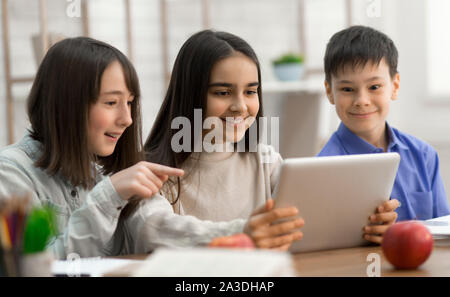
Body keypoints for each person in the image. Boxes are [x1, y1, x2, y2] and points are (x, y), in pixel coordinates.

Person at [121, 30, 304, 253]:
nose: (241, 106)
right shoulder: (150, 170)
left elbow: (308, 215)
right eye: (223, 92)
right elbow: (152, 229)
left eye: (250, 91)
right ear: (191, 95)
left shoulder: (267, 162)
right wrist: (241, 234)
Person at [0, 37, 184, 259]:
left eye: (129, 102)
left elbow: (162, 227)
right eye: (111, 103)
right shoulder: (10, 173)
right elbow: (34, 265)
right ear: (66, 105)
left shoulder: (107, 172)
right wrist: (109, 196)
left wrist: (231, 232)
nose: (127, 119)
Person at [319, 25, 450, 243]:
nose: (362, 100)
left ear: (394, 85)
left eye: (374, 86)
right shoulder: (323, 169)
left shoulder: (424, 156)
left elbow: (444, 231)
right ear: (330, 92)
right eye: (347, 89)